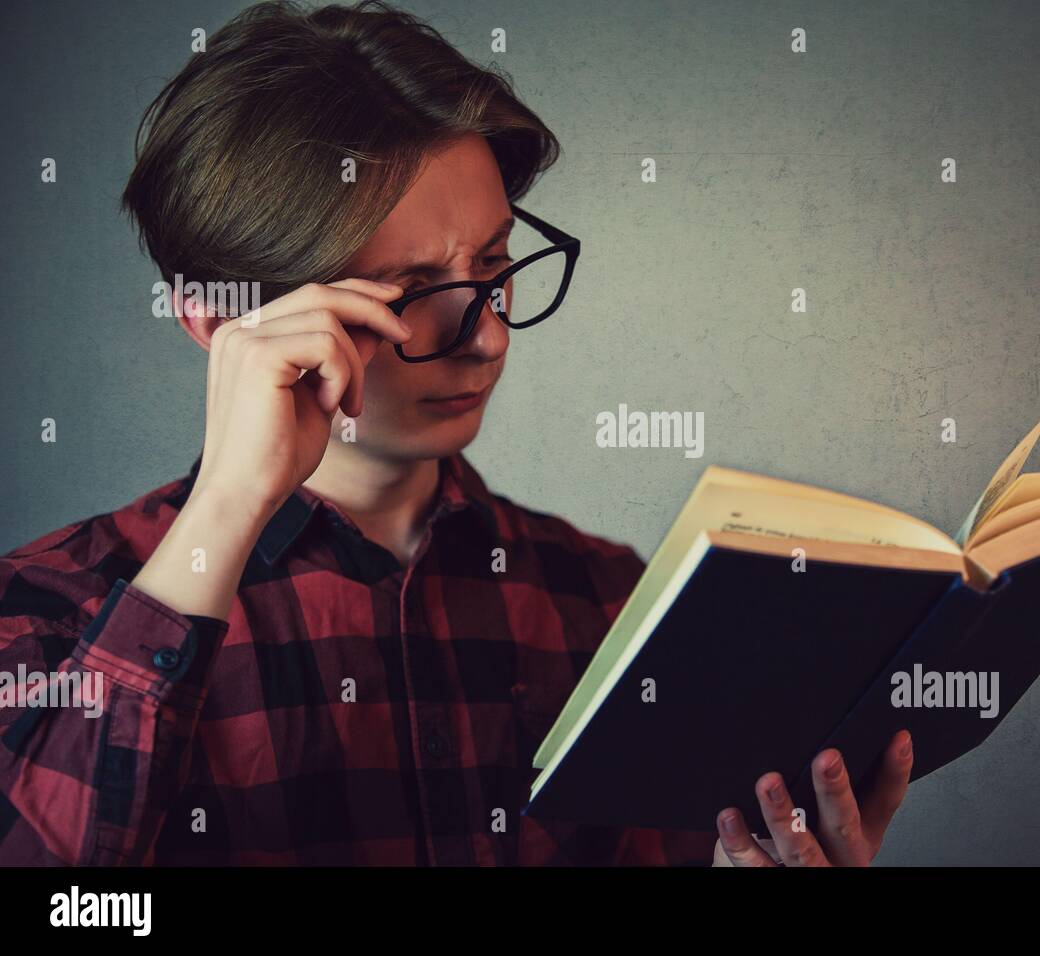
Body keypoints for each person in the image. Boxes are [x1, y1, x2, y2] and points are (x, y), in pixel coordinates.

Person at [0, 0, 912, 866]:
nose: (487, 337)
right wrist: (230, 506)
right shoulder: (46, 617)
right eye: (411, 297)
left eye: (494, 265)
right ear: (216, 324)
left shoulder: (610, 605)